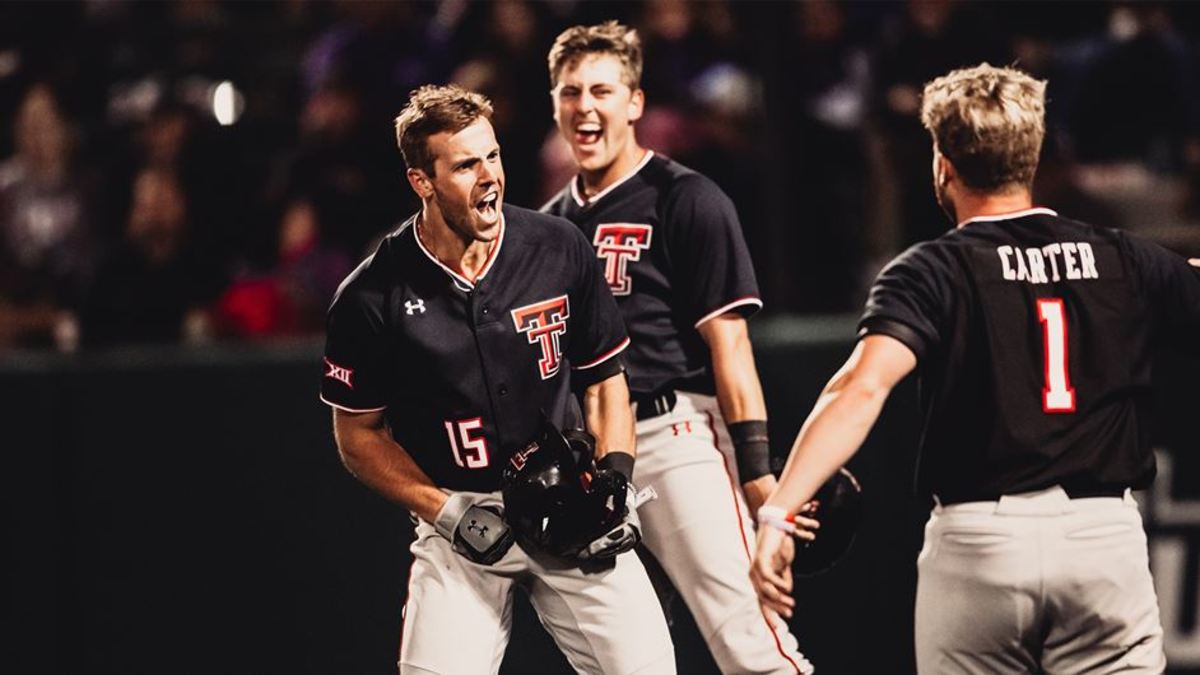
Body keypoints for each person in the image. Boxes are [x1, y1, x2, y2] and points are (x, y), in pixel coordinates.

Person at [752, 63, 1200, 673]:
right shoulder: (1123, 258)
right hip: (1102, 538)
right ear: (1032, 156)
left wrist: (780, 511)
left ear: (944, 163)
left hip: (982, 544)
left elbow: (862, 386)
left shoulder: (931, 270)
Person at [320, 84, 674, 675]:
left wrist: (615, 476)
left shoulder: (558, 247)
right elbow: (358, 435)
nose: (489, 176)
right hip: (462, 516)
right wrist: (444, 510)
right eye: (465, 164)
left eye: (494, 155)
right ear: (422, 182)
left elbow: (605, 379)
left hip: (571, 500)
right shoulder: (372, 296)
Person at [542, 22, 812, 675]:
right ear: (554, 103)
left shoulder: (685, 198)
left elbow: (732, 347)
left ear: (635, 102)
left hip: (675, 434)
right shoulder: (549, 228)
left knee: (755, 647)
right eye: (570, 90)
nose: (586, 105)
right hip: (595, 458)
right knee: (624, 662)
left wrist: (756, 474)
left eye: (603, 89)